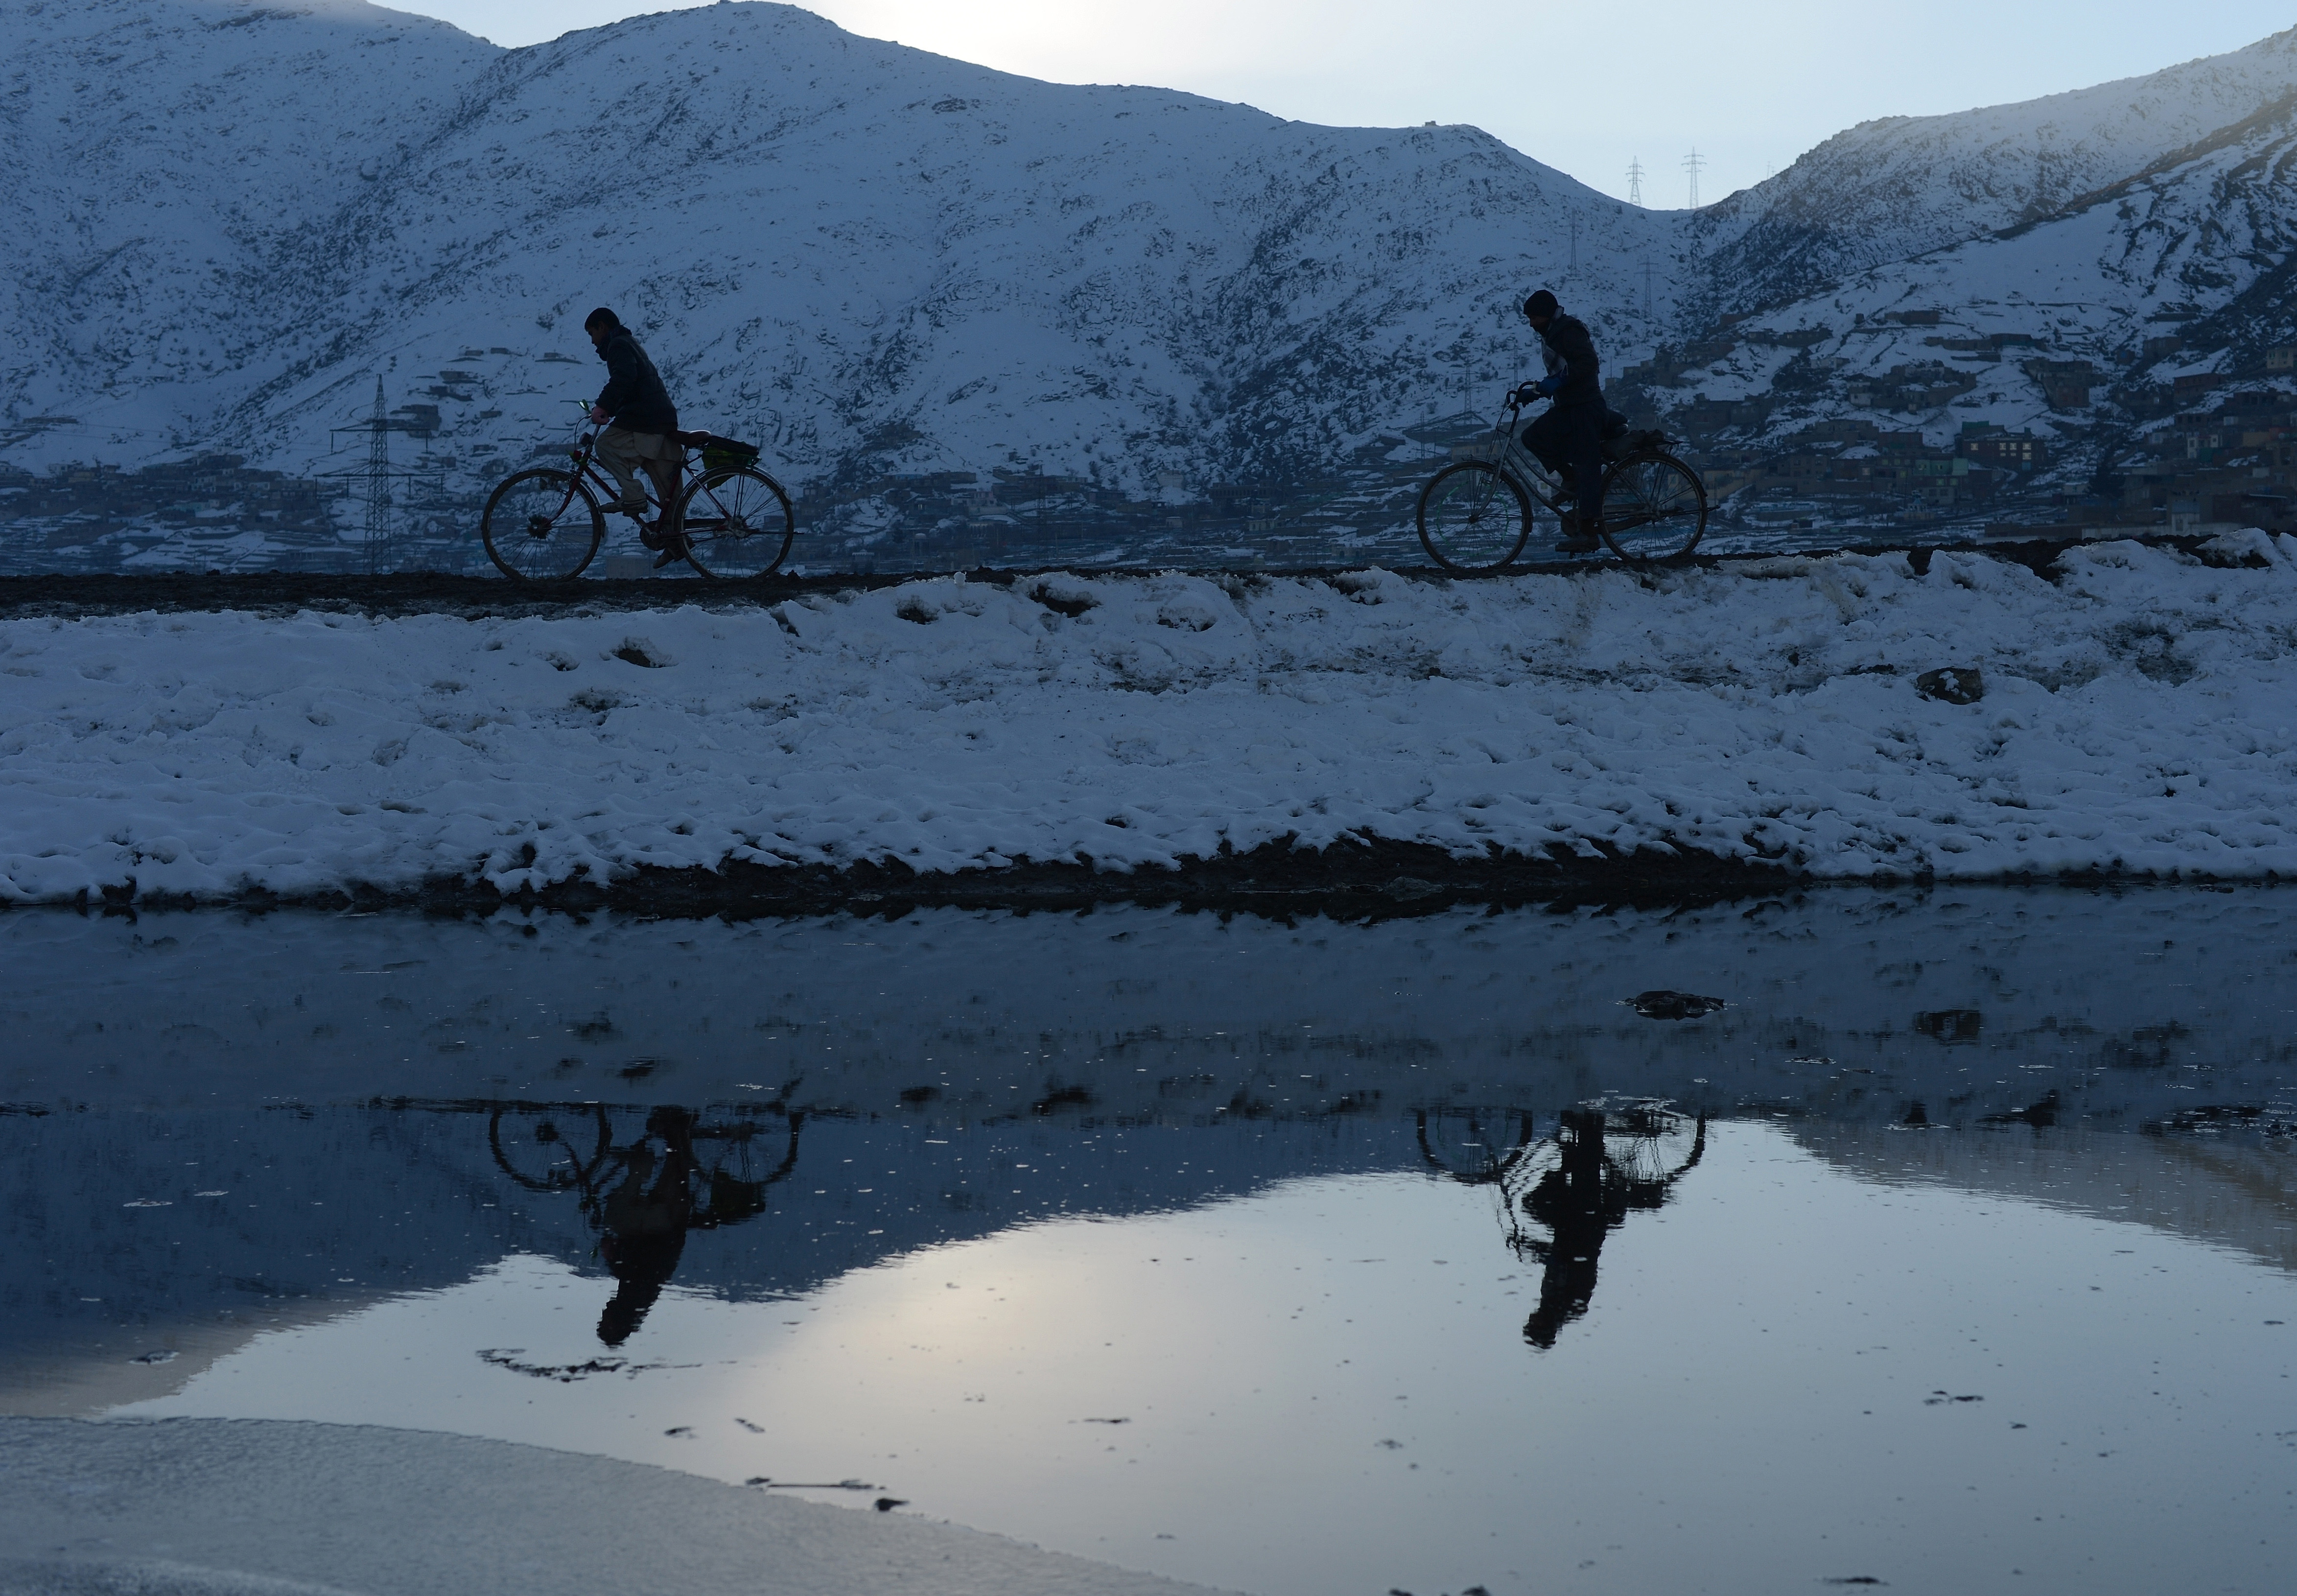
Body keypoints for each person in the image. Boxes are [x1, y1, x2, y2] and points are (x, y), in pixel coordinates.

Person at [1513, 290, 1619, 555]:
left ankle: (1588, 533)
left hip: (1586, 408)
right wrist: (1537, 391)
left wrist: (1558, 381)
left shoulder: (1568, 331)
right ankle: (1570, 480)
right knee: (1532, 437)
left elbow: (1588, 362)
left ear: (1547, 315)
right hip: (1569, 406)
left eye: (1534, 318)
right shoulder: (1553, 333)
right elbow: (1562, 371)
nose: (1532, 324)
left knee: (1587, 467)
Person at [584, 306, 687, 568]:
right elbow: (636, 386)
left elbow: (625, 379)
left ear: (602, 327)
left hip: (647, 421)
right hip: (662, 419)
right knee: (670, 497)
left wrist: (603, 406)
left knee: (605, 445)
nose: (592, 340)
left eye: (592, 333)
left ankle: (632, 496)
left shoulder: (618, 346)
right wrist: (613, 409)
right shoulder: (630, 343)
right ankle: (677, 545)